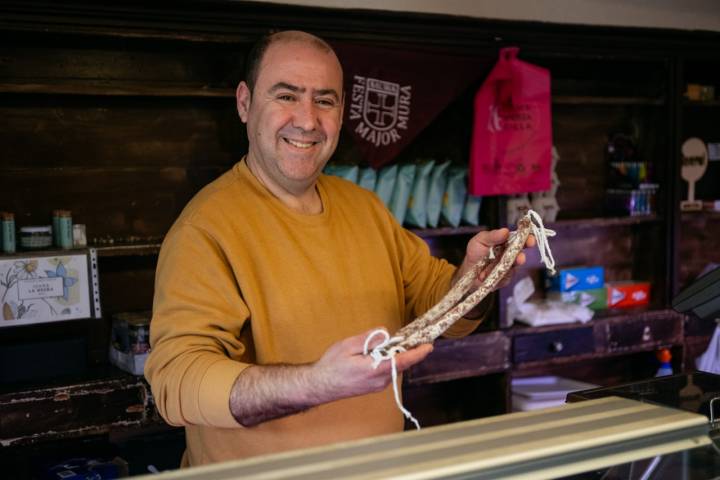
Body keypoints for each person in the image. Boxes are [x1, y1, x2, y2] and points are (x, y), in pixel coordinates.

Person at [145, 30, 534, 467]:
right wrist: (318, 383)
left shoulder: (363, 207)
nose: (307, 120)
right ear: (244, 103)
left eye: (324, 100)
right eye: (287, 96)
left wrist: (474, 279)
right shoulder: (205, 230)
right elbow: (176, 384)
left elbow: (435, 304)